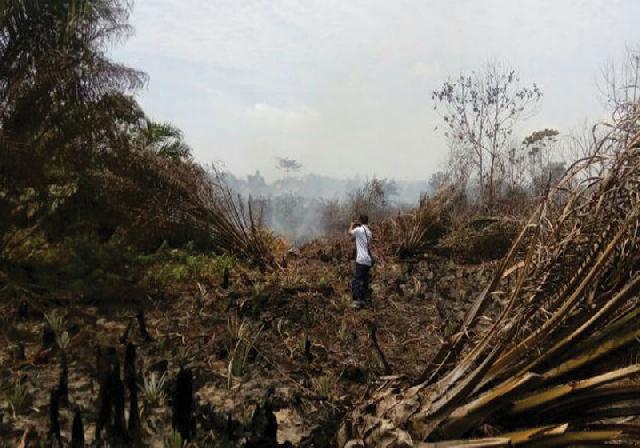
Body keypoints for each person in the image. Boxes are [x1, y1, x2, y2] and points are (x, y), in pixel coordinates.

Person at [348, 214, 373, 308]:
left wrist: (351, 224)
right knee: (365, 281)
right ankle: (364, 300)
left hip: (361, 259)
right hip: (368, 261)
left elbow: (349, 233)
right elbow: (354, 239)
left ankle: (356, 301)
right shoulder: (369, 232)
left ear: (360, 220)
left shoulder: (359, 230)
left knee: (356, 281)